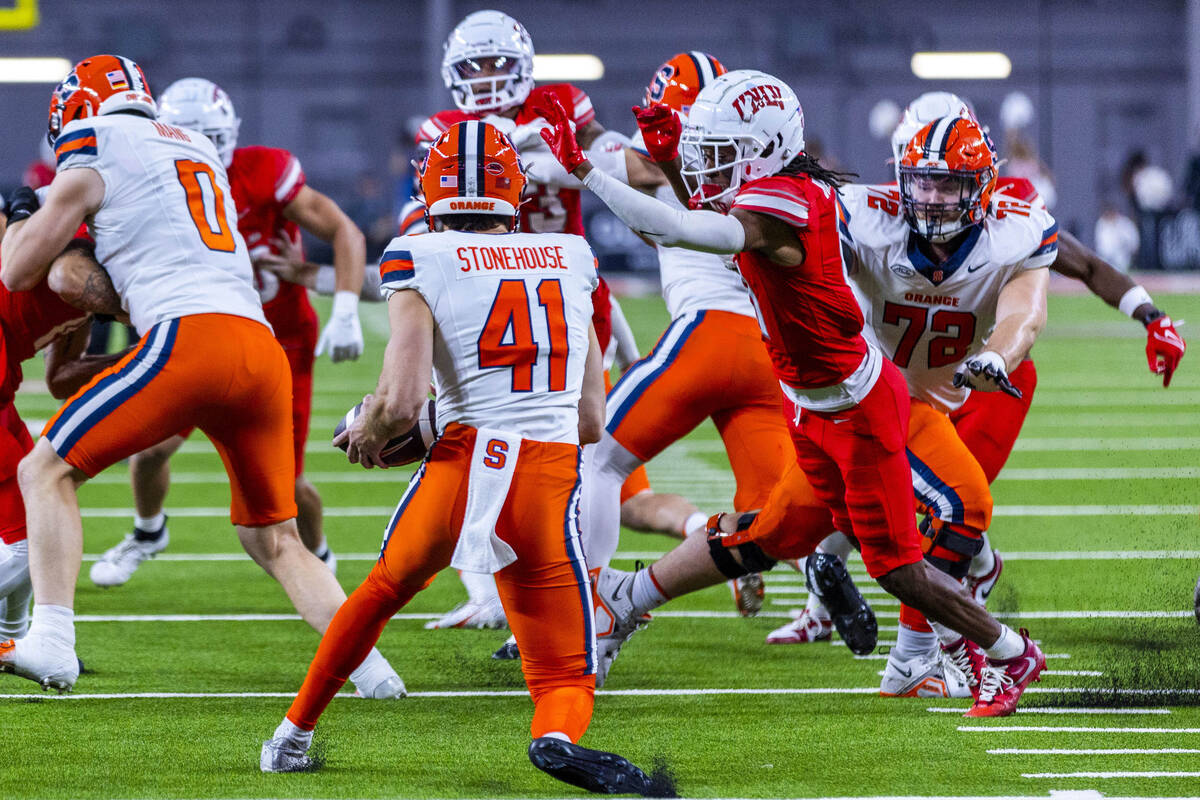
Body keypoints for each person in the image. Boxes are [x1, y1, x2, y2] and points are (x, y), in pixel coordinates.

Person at [537, 69, 1045, 717]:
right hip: (811, 405)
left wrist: (584, 168)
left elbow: (686, 231)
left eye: (721, 154)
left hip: (861, 403)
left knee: (916, 548)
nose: (709, 167)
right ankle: (622, 599)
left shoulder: (787, 202)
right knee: (779, 530)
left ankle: (1003, 653)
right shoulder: (779, 197)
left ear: (766, 147)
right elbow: (694, 219)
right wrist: (662, 158)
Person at [260, 120, 664, 797]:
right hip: (545, 474)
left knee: (380, 594)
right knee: (565, 675)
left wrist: (370, 430)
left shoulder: (418, 255)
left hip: (464, 465)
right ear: (515, 188)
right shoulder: (572, 255)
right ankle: (555, 739)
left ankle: (291, 737)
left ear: (429, 186)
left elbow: (401, 395)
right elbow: (592, 419)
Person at [0, 55, 402, 699]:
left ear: (80, 110)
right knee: (274, 538)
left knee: (41, 470)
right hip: (259, 347)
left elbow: (19, 270)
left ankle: (51, 638)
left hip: (190, 339)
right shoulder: (194, 146)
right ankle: (374, 672)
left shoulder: (95, 140)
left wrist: (22, 211)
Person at [771, 91, 1186, 648]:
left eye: (948, 180)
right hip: (894, 381)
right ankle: (826, 604)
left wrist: (1151, 315)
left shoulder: (1007, 215)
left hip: (990, 380)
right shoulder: (879, 214)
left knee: (955, 508)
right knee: (856, 494)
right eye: (917, 172)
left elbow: (1081, 264)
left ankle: (935, 637)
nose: (931, 192)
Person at [418, 10, 695, 631]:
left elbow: (639, 168)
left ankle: (576, 599)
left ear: (523, 67)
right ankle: (504, 590)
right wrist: (520, 152)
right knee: (472, 446)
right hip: (483, 302)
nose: (488, 77)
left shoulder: (559, 104)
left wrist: (579, 160)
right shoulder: (444, 129)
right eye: (475, 68)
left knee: (575, 456)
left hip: (562, 295)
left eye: (498, 65)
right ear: (454, 75)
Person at [89, 77, 367, 589]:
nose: (204, 147)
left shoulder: (262, 172)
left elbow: (342, 229)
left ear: (231, 135)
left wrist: (346, 306)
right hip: (196, 329)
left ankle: (319, 553)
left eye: (212, 137)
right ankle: (148, 533)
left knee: (286, 481)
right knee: (149, 450)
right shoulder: (149, 178)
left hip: (276, 339)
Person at [561, 52, 795, 617]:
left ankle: (588, 604)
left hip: (710, 335)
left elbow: (681, 207)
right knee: (772, 521)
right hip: (769, 357)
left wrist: (576, 151)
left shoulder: (694, 178)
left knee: (591, 456)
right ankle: (833, 580)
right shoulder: (779, 186)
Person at [0, 221, 131, 641]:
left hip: (5, 376)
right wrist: (149, 312)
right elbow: (69, 278)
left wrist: (139, 356)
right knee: (31, 534)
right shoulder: (83, 244)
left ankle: (11, 636)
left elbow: (60, 379)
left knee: (36, 513)